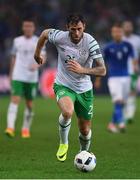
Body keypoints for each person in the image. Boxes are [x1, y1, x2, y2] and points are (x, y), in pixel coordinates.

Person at [34, 14, 106, 162]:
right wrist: (37, 53)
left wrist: (82, 70)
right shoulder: (60, 37)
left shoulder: (90, 42)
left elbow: (102, 70)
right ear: (67, 28)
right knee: (67, 112)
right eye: (73, 29)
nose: (76, 33)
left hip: (84, 88)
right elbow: (44, 34)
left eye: (79, 29)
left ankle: (83, 154)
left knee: (85, 130)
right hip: (63, 84)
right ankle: (63, 143)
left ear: (84, 27)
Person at [5, 19, 46, 138]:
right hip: (18, 75)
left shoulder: (38, 40)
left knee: (29, 103)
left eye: (30, 26)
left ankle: (25, 128)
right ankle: (10, 127)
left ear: (33, 28)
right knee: (15, 99)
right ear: (23, 28)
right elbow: (13, 58)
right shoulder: (17, 41)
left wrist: (37, 64)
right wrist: (11, 73)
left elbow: (44, 56)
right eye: (26, 26)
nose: (28, 28)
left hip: (31, 77)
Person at [105, 23, 137, 133]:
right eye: (115, 32)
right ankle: (122, 123)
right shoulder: (108, 47)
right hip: (114, 78)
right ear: (112, 33)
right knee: (118, 101)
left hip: (126, 77)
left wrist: (134, 66)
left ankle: (112, 124)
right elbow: (102, 62)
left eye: (119, 32)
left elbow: (134, 57)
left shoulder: (128, 45)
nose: (117, 34)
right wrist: (99, 78)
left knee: (122, 103)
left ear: (122, 33)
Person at [122, 21, 140, 123]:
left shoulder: (137, 40)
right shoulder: (120, 39)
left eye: (129, 26)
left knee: (132, 92)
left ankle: (130, 115)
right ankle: (124, 113)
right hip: (122, 70)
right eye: (126, 26)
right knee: (123, 93)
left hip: (133, 70)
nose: (128, 28)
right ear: (123, 28)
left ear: (132, 28)